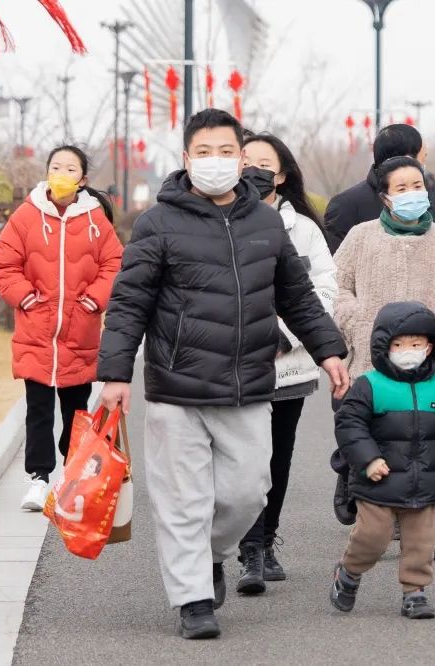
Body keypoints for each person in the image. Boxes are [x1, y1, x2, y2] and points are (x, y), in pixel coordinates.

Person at [96, 109, 349, 641]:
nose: (215, 162)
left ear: (241, 157)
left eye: (225, 152)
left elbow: (297, 297)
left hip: (246, 384)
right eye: (203, 153)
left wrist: (329, 350)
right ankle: (192, 599)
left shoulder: (265, 223)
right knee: (182, 497)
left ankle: (209, 553)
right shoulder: (158, 222)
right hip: (175, 387)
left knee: (248, 492)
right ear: (187, 160)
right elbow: (127, 303)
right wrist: (116, 373)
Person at [331, 156, 435, 556]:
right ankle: (372, 517)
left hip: (428, 362)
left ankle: (416, 526)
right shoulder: (361, 238)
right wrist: (355, 319)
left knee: (419, 442)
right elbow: (336, 285)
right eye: (402, 188)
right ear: (385, 196)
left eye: (418, 185)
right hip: (369, 363)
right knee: (375, 434)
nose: (413, 193)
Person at [329, 301, 435, 619]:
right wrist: (368, 460)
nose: (408, 350)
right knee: (372, 539)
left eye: (416, 344)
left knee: (421, 542)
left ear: (429, 346)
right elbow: (349, 424)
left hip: (423, 481)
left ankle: (414, 591)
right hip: (378, 480)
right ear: (384, 346)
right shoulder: (370, 385)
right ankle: (348, 572)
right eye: (399, 344)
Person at [0, 145, 122, 512]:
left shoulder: (96, 219)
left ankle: (72, 474)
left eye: (70, 168)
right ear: (47, 171)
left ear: (83, 179)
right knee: (39, 409)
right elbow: (4, 265)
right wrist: (27, 298)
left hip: (80, 334)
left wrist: (95, 300)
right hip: (36, 334)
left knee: (76, 410)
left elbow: (114, 264)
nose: (62, 173)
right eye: (56, 166)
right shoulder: (27, 215)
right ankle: (39, 478)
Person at [235, 132, 338, 593]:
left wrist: (286, 335)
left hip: (289, 365)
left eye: (264, 164)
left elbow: (323, 292)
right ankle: (246, 546)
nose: (253, 171)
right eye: (246, 162)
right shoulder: (220, 220)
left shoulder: (305, 230)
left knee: (276, 459)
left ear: (281, 175)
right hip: (233, 364)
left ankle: (263, 543)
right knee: (242, 461)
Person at [324, 123, 427, 253]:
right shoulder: (345, 205)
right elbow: (337, 265)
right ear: (406, 159)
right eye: (424, 158)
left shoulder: (420, 200)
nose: (423, 166)